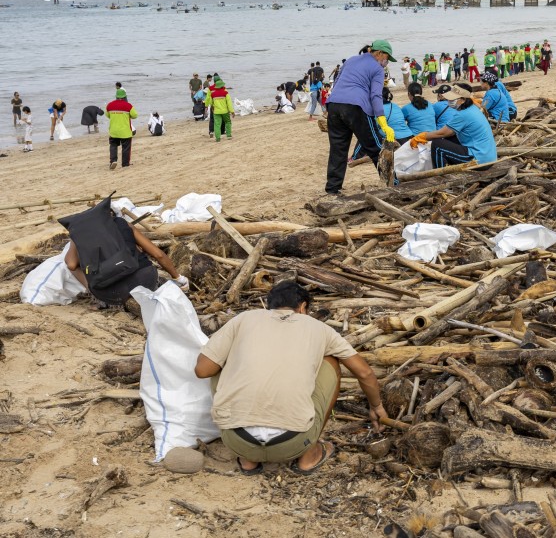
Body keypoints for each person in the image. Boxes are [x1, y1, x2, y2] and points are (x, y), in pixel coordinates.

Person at [194, 281, 387, 475]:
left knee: (218, 363)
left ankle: (249, 461)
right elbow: (364, 372)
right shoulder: (319, 328)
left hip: (237, 441)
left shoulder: (244, 319)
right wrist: (376, 406)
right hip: (293, 443)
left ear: (269, 306)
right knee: (331, 359)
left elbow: (202, 370)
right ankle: (309, 455)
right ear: (303, 307)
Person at [64, 203, 188, 308]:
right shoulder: (122, 223)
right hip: (145, 281)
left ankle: (96, 296)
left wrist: (75, 240)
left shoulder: (81, 236)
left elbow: (71, 264)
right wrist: (178, 277)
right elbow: (158, 254)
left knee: (77, 266)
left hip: (112, 294)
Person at [324, 40, 397, 195]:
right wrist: (382, 121)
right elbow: (376, 95)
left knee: (338, 149)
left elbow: (336, 83)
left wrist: (328, 106)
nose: (387, 62)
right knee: (376, 147)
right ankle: (393, 183)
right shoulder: (377, 69)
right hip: (356, 107)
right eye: (387, 58)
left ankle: (332, 188)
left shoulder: (351, 60)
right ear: (379, 53)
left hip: (334, 104)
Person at [410, 97, 496, 168]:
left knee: (437, 145)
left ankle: (440, 178)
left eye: (453, 99)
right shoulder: (472, 108)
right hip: (488, 156)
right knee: (448, 139)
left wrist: (423, 136)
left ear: (463, 100)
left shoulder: (463, 114)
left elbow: (443, 133)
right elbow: (449, 133)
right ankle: (448, 165)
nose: (449, 101)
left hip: (480, 160)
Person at [106, 88, 138, 169]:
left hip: (113, 131)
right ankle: (125, 164)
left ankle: (113, 160)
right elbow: (135, 115)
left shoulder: (109, 105)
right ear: (125, 97)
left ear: (116, 96)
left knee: (113, 145)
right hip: (125, 131)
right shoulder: (128, 106)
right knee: (126, 148)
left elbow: (107, 115)